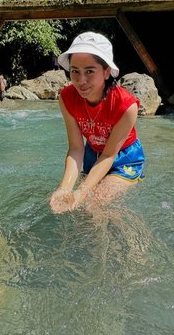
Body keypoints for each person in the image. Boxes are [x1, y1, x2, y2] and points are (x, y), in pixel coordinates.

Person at [49, 32, 145, 214]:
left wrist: (82, 191)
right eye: (75, 71)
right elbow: (76, 148)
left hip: (124, 157)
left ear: (107, 71)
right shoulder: (67, 97)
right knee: (71, 202)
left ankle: (121, 241)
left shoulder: (126, 106)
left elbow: (109, 155)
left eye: (90, 72)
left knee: (94, 204)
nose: (81, 81)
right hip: (92, 152)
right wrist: (64, 188)